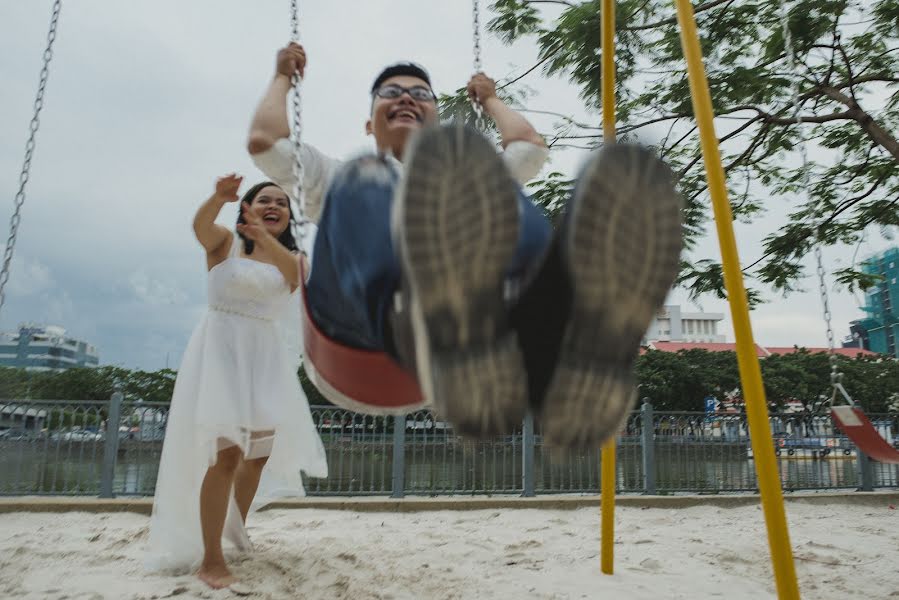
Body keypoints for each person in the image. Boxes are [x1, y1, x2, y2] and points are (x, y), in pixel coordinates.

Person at [247, 43, 682, 448]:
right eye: (390, 92)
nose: (405, 97)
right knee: (369, 176)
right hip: (352, 334)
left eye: (420, 94)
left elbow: (528, 149)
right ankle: (409, 313)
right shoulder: (333, 174)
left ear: (433, 116)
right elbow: (265, 144)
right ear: (369, 122)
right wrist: (282, 77)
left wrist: (490, 99)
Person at [145, 174, 328, 591]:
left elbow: (297, 280)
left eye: (282, 203)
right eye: (265, 199)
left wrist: (266, 239)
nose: (274, 206)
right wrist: (216, 198)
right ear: (247, 206)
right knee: (226, 457)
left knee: (258, 456)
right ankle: (211, 558)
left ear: (288, 217)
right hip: (221, 355)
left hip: (265, 360)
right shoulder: (224, 244)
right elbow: (200, 229)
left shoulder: (293, 260)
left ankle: (235, 529)